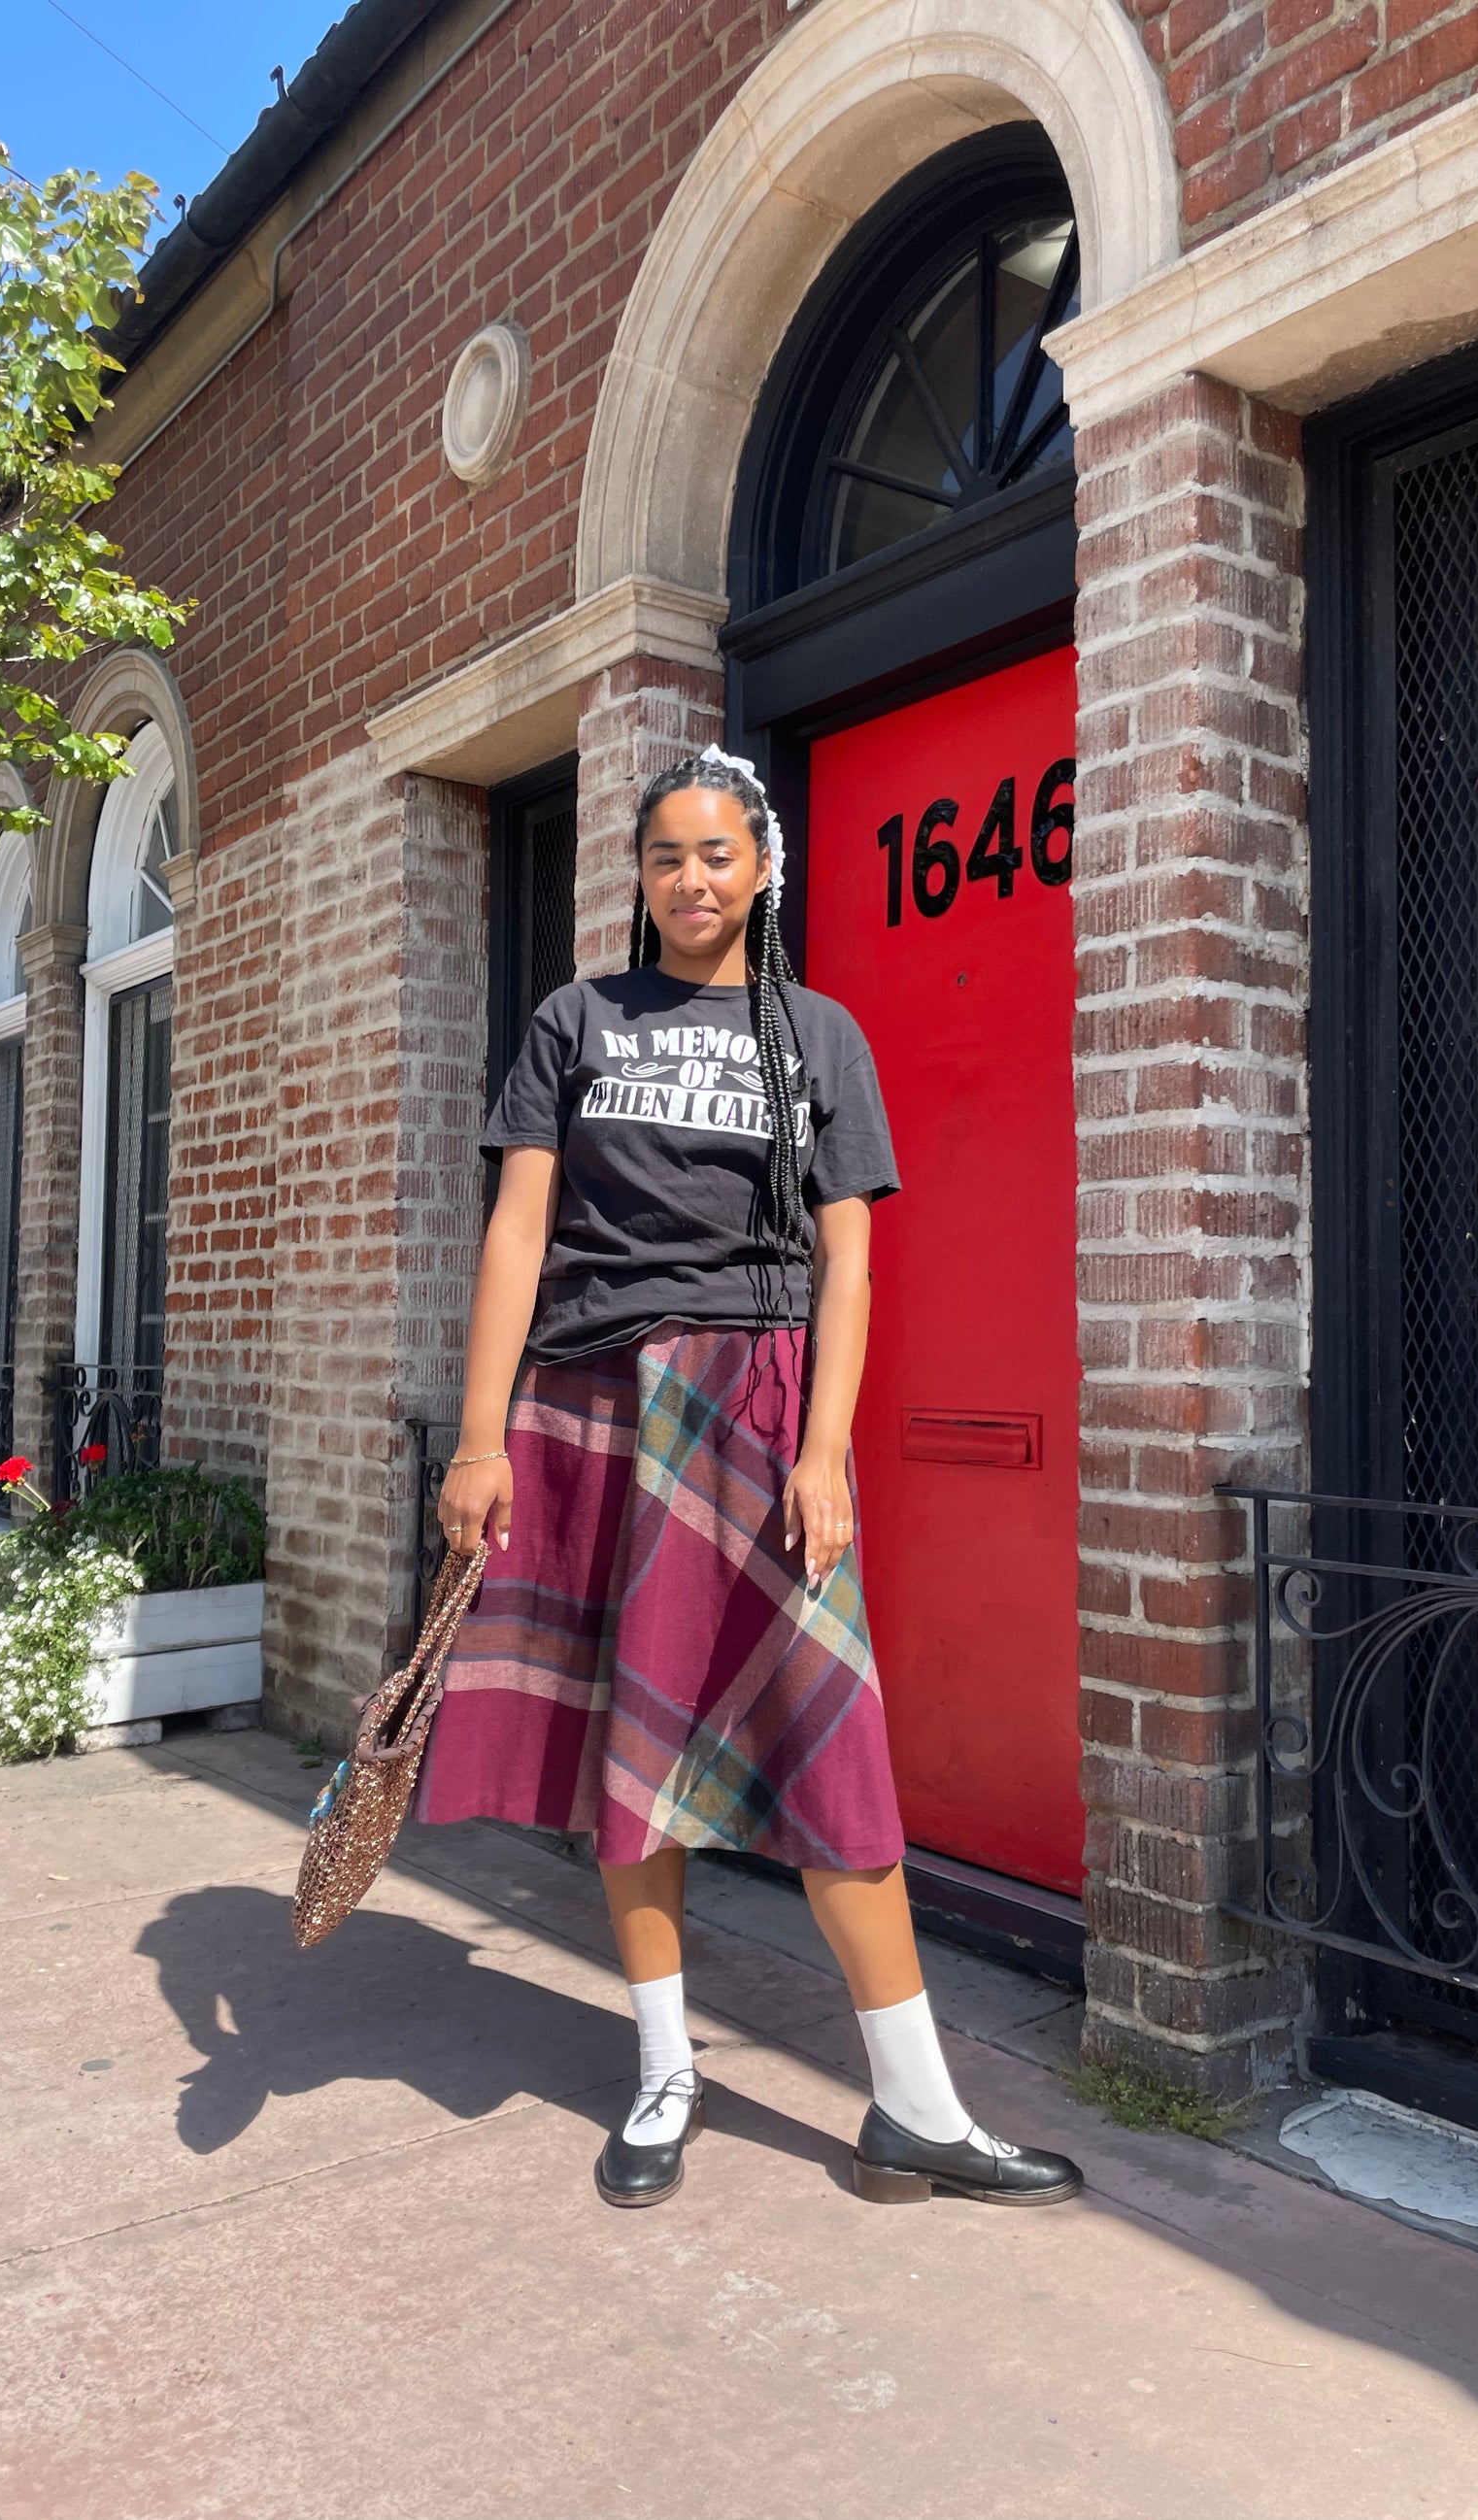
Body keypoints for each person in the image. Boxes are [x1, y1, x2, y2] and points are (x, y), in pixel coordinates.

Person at [416, 746, 1081, 2213]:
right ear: (638, 871)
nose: (692, 879)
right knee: (627, 1760)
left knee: (830, 1744)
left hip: (756, 1407)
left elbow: (848, 1258)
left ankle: (914, 2109)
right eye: (666, 855)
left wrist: (826, 1446)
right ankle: (665, 2070)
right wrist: (480, 1438)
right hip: (587, 1405)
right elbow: (517, 1236)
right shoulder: (572, 1021)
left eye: (717, 854)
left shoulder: (818, 1036)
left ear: (760, 869)